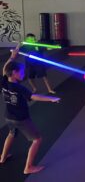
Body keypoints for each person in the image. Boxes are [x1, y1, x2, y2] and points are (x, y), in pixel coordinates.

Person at [0, 45, 60, 174]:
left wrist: (12, 56)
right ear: (14, 73)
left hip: (8, 116)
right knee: (37, 139)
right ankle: (28, 167)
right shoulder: (19, 88)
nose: (23, 73)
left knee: (11, 133)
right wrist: (51, 99)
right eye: (21, 72)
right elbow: (34, 96)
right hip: (21, 119)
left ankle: (2, 157)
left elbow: (5, 69)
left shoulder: (4, 81)